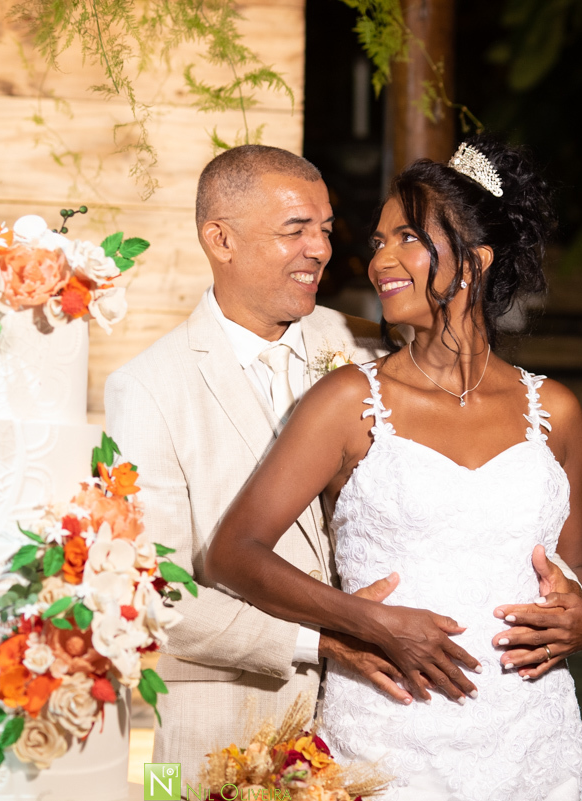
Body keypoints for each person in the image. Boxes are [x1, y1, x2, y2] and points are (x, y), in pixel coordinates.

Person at [206, 136, 582, 801]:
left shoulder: (556, 411)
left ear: (475, 262)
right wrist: (363, 622)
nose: (380, 260)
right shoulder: (348, 402)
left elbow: (580, 565)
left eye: (408, 239)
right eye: (377, 241)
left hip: (532, 739)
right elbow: (234, 551)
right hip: (388, 738)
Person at [104, 145, 404, 782]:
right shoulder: (148, 386)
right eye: (295, 230)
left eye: (324, 229)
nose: (320, 249)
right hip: (221, 739)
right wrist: (320, 641)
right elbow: (156, 597)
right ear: (221, 239)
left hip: (385, 728)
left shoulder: (369, 348)